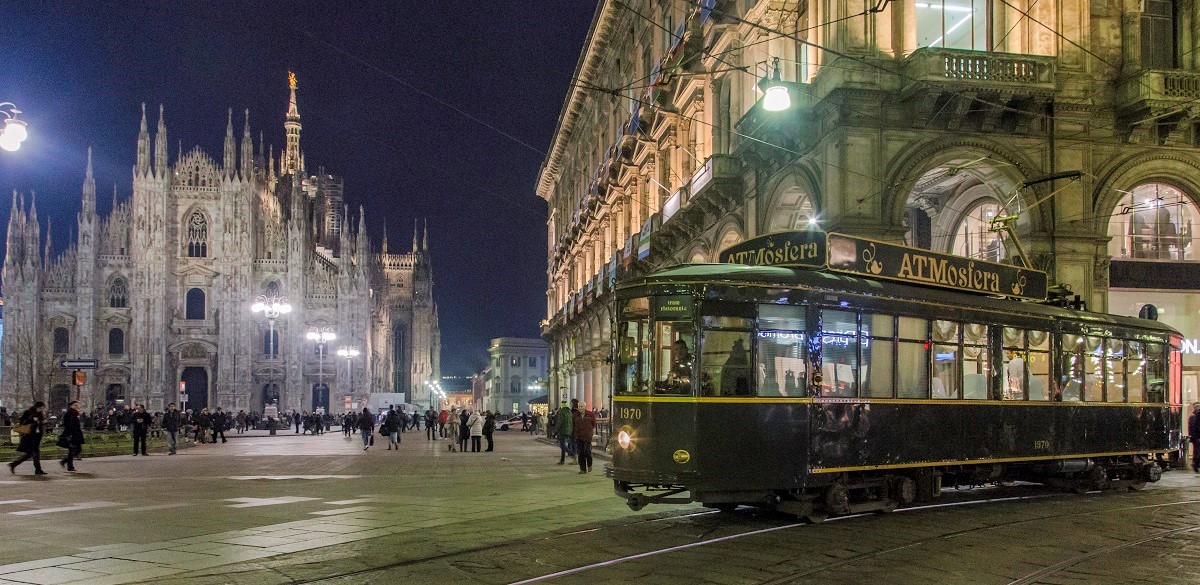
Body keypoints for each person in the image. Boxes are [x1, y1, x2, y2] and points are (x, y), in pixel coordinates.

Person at [10, 402, 46, 475]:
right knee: (35, 452)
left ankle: (14, 464)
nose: (42, 409)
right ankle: (38, 470)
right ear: (37, 407)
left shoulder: (40, 414)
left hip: (37, 435)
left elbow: (39, 423)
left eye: (42, 408)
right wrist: (32, 419)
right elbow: (23, 422)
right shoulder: (28, 412)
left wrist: (43, 422)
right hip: (30, 436)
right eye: (41, 408)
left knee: (30, 454)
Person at [58, 401, 85, 472]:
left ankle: (65, 462)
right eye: (75, 405)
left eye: (77, 405)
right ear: (71, 406)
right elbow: (69, 425)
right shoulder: (70, 413)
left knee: (76, 450)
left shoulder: (75, 413)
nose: (77, 407)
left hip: (76, 434)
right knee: (74, 450)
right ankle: (69, 465)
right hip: (73, 434)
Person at [572, 399, 595, 474]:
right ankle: (582, 469)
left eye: (581, 406)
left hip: (587, 436)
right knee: (580, 453)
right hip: (579, 436)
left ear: (585, 407)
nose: (580, 408)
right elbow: (573, 425)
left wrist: (589, 431)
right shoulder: (575, 415)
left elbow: (593, 424)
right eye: (579, 406)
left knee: (587, 451)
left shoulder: (590, 414)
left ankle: (589, 464)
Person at [554, 401, 575, 465]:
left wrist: (555, 431)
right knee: (563, 445)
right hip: (569, 430)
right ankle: (562, 460)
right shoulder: (569, 412)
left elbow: (560, 422)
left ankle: (572, 454)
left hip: (562, 430)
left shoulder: (561, 412)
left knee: (562, 445)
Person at [1190, 403, 1200, 473]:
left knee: (1197, 452)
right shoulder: (1196, 416)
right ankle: (1196, 465)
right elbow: (1196, 427)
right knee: (1197, 452)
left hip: (1196, 437)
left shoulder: (1195, 416)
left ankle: (1196, 464)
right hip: (1197, 437)